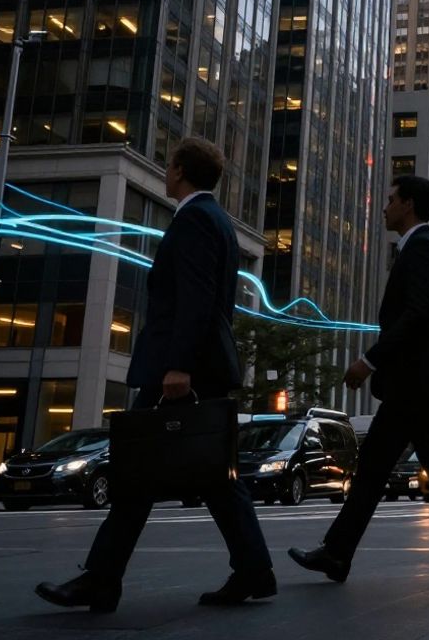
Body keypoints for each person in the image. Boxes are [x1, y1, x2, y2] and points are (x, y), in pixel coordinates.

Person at [36, 137, 274, 613]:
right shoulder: (215, 221)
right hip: (196, 365)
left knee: (139, 470)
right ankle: (250, 570)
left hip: (184, 369)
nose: (166, 172)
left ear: (180, 170)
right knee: (208, 477)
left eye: (169, 166)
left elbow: (197, 296)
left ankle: (102, 579)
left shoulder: (196, 220)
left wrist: (179, 364)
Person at [289, 175, 429, 583]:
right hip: (415, 382)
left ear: (408, 204)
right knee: (389, 468)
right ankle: (338, 553)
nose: (385, 207)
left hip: (416, 383)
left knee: (414, 468)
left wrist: (369, 361)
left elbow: (419, 315)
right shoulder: (419, 248)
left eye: (391, 199)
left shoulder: (422, 249)